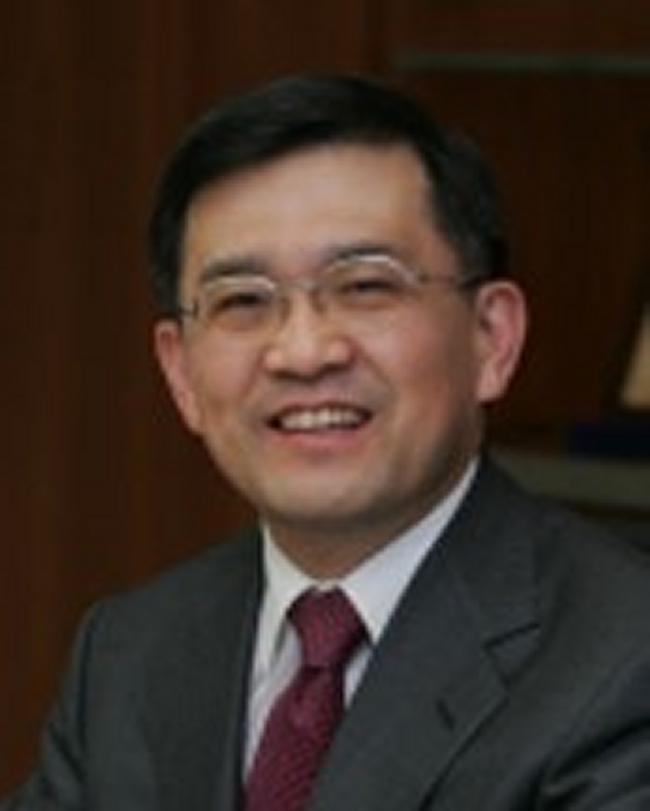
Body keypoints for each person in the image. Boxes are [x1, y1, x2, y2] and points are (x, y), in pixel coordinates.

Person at [4, 73, 650, 811]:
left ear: (491, 337)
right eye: (242, 300)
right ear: (180, 372)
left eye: (366, 286)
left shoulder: (625, 658)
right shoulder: (130, 652)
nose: (304, 352)